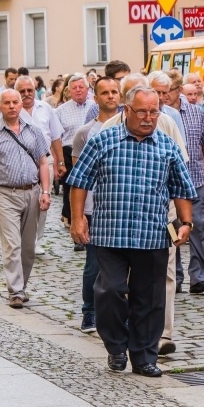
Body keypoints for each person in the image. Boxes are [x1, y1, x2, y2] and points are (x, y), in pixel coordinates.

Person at [66, 85, 197, 377]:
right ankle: (115, 346)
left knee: (149, 299)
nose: (149, 118)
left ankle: (144, 357)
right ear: (127, 110)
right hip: (110, 233)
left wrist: (186, 223)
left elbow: (182, 188)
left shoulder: (167, 146)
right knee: (110, 290)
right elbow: (79, 181)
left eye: (154, 112)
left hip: (152, 235)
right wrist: (77, 218)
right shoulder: (104, 140)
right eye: (142, 112)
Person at [0, 90, 51, 308]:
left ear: (21, 105)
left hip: (32, 191)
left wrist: (46, 192)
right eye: (7, 103)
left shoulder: (34, 131)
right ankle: (16, 291)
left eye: (15, 102)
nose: (11, 106)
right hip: (5, 193)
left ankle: (22, 286)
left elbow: (43, 163)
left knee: (28, 247)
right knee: (12, 245)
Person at [71, 76, 122, 332]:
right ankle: (89, 310)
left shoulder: (128, 127)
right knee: (93, 264)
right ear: (96, 97)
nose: (110, 96)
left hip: (121, 207)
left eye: (114, 91)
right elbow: (78, 177)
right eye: (105, 92)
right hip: (94, 207)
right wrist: (77, 215)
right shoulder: (85, 132)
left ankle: (119, 312)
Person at [168, 83, 204, 293]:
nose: (163, 95)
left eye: (167, 90)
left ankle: (200, 277)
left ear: (177, 89)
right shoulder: (159, 115)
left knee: (197, 226)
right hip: (169, 183)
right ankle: (175, 276)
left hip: (195, 179)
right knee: (172, 229)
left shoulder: (197, 113)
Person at [16, 75, 65, 255]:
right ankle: (21, 239)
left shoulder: (46, 108)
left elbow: (55, 136)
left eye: (29, 90)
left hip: (45, 160)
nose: (26, 94)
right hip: (20, 163)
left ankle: (36, 240)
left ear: (35, 90)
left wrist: (60, 162)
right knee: (23, 202)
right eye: (22, 91)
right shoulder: (12, 109)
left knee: (43, 201)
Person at [55, 73, 94, 230]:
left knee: (90, 186)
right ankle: (71, 217)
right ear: (69, 91)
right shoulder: (61, 110)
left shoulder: (95, 107)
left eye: (81, 87)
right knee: (71, 185)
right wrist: (59, 161)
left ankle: (89, 215)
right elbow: (56, 137)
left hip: (91, 151)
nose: (78, 90)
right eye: (74, 88)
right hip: (69, 151)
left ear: (87, 89)